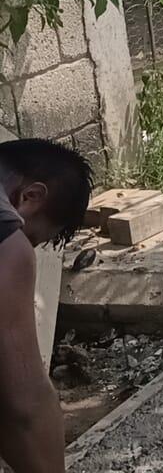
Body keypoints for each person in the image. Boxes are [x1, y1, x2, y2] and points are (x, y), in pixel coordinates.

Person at [0, 138, 94, 473]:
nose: (24, 244)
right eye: (32, 239)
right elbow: (23, 403)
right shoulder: (5, 237)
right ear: (31, 197)